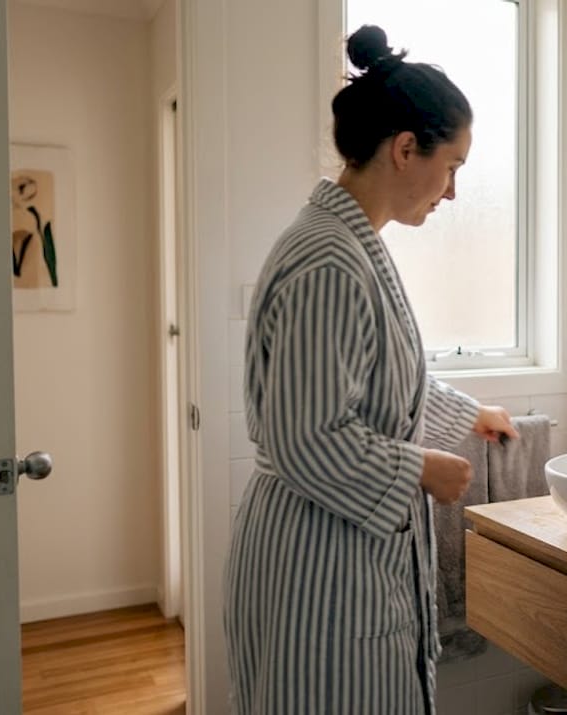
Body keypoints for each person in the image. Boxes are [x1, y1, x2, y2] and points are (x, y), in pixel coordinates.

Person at [224, 24, 519, 715]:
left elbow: (375, 382)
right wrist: (421, 468)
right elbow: (309, 436)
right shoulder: (329, 259)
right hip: (318, 567)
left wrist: (466, 414)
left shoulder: (352, 245)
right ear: (405, 148)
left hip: (341, 552)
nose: (451, 193)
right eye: (452, 166)